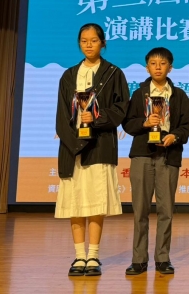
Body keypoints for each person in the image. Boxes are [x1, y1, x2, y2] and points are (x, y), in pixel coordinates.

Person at [55, 23, 130, 276]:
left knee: (97, 203)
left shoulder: (114, 73)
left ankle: (94, 256)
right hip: (72, 148)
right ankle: (79, 256)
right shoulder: (68, 75)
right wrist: (75, 143)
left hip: (100, 145)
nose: (89, 45)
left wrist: (97, 118)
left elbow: (121, 109)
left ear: (103, 43)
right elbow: (61, 116)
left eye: (94, 40)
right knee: (74, 202)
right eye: (84, 41)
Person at [122, 47, 189, 276]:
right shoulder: (139, 94)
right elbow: (127, 123)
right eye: (153, 63)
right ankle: (139, 260)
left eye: (162, 63)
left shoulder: (179, 95)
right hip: (142, 155)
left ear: (170, 67)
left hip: (168, 156)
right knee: (140, 210)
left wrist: (175, 136)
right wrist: (144, 124)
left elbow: (187, 125)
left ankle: (163, 258)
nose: (158, 67)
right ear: (147, 67)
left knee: (166, 210)